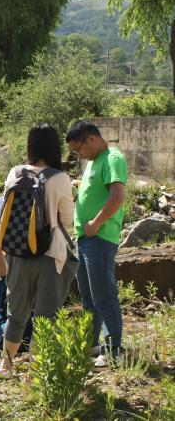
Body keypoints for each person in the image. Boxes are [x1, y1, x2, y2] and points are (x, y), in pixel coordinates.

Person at [0, 124, 78, 377]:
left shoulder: (15, 172)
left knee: (16, 314)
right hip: (52, 257)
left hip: (17, 253)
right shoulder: (60, 178)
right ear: (54, 148)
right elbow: (67, 220)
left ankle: (6, 366)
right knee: (45, 317)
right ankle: (36, 373)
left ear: (30, 145)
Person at [66, 120, 127, 363]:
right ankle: (92, 346)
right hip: (85, 238)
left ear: (90, 138)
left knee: (104, 295)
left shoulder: (112, 158)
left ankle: (114, 351)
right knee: (89, 297)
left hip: (99, 237)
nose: (79, 154)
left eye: (78, 149)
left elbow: (118, 195)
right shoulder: (94, 162)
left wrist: (97, 223)